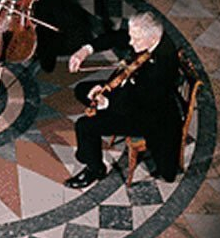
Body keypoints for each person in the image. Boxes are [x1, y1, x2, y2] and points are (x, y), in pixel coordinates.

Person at [65, 11, 180, 188]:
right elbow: (117, 37)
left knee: (84, 126)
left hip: (146, 114)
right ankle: (93, 136)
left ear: (153, 38)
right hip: (132, 92)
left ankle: (95, 168)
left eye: (136, 39)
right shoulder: (148, 37)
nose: (131, 42)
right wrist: (85, 51)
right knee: (82, 90)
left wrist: (106, 102)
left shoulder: (161, 67)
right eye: (132, 36)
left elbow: (137, 103)